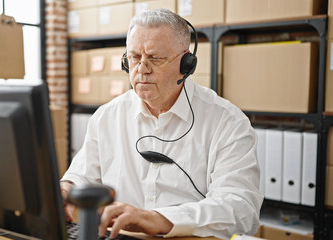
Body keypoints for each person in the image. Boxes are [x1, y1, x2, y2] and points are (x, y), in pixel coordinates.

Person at [61, 8, 263, 239]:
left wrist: (158, 219)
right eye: (134, 57)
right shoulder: (107, 116)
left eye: (155, 58)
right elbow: (82, 176)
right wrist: (66, 188)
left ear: (186, 63)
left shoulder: (227, 122)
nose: (142, 69)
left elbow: (240, 209)